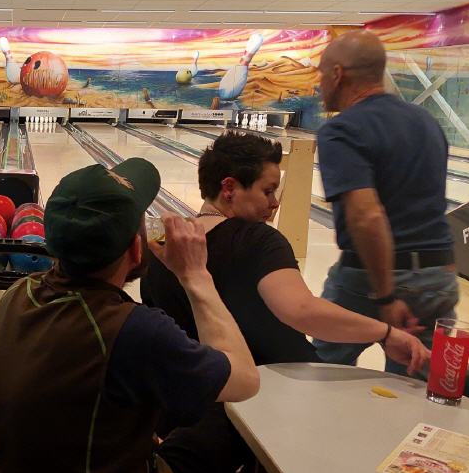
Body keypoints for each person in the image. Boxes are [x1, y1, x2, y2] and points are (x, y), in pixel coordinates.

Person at [0, 159, 260, 473]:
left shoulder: (19, 295)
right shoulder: (134, 330)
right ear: (137, 247)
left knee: (171, 412)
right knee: (228, 431)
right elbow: (244, 379)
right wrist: (196, 276)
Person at [141, 131, 430, 375]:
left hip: (195, 403)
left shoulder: (159, 248)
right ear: (229, 188)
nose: (275, 202)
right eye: (268, 191)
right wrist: (386, 333)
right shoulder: (258, 240)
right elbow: (302, 311)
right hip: (269, 398)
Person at [314, 30, 458, 381]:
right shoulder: (427, 122)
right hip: (437, 278)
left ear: (337, 74)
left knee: (321, 371)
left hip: (373, 278)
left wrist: (386, 296)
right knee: (417, 385)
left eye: (320, 74)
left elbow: (367, 216)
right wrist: (442, 275)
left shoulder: (342, 129)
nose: (318, 84)